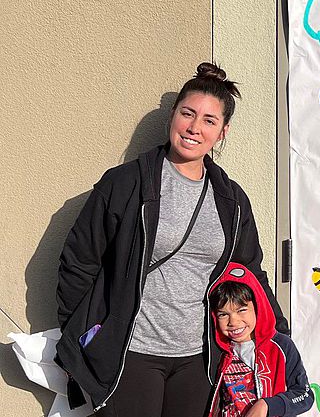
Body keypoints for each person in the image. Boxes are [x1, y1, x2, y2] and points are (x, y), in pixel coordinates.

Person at [55, 62, 289, 417]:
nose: (195, 128)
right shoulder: (125, 184)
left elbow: (250, 272)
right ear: (173, 116)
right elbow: (79, 261)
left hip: (200, 358)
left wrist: (279, 336)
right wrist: (82, 336)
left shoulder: (231, 200)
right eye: (188, 114)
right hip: (132, 352)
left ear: (222, 132)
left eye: (209, 121)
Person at [207, 262, 313, 417]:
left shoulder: (281, 346)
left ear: (258, 307)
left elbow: (305, 395)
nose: (233, 322)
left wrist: (268, 405)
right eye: (223, 314)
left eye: (241, 310)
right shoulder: (218, 351)